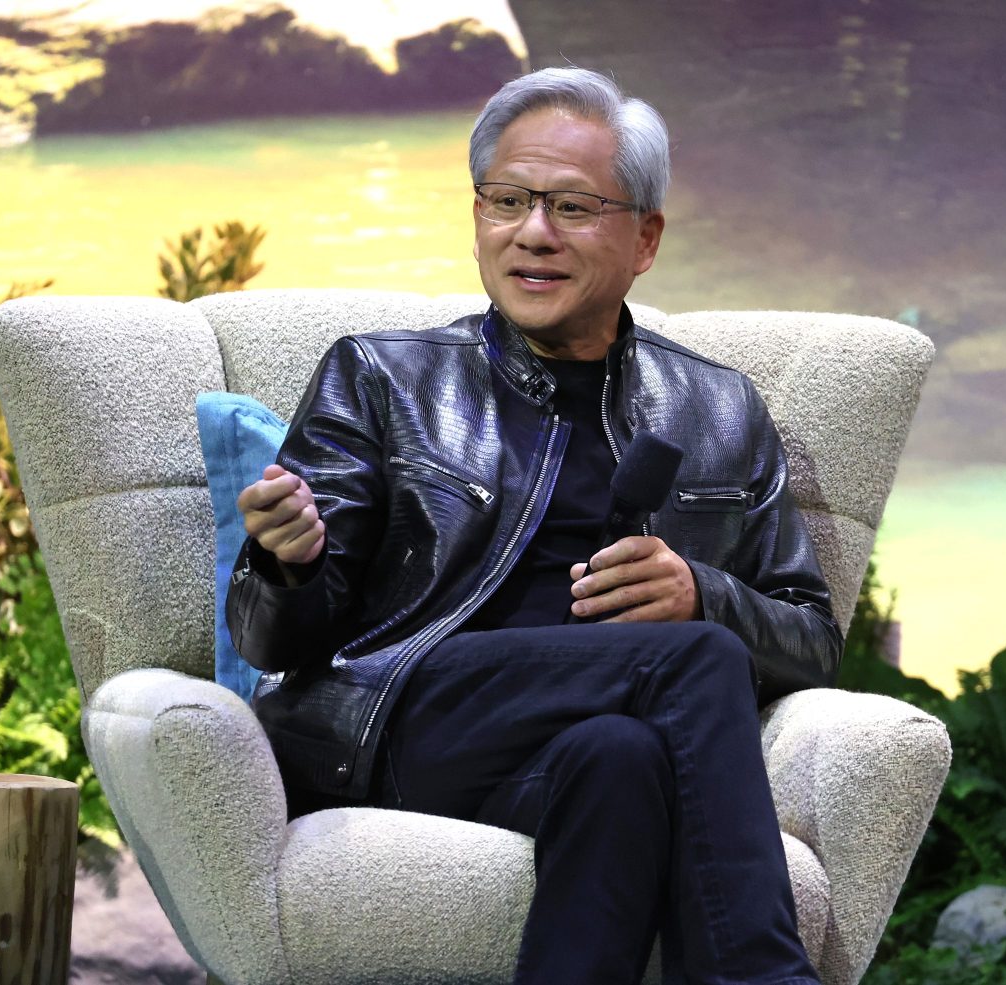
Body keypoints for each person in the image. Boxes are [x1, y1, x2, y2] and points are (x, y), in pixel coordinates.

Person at [226, 66, 841, 985]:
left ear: (646, 238)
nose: (533, 232)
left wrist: (702, 593)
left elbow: (814, 642)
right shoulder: (383, 376)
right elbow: (274, 643)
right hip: (409, 719)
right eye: (507, 200)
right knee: (693, 659)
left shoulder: (720, 410)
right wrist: (287, 564)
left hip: (571, 745)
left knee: (623, 758)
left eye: (572, 206)